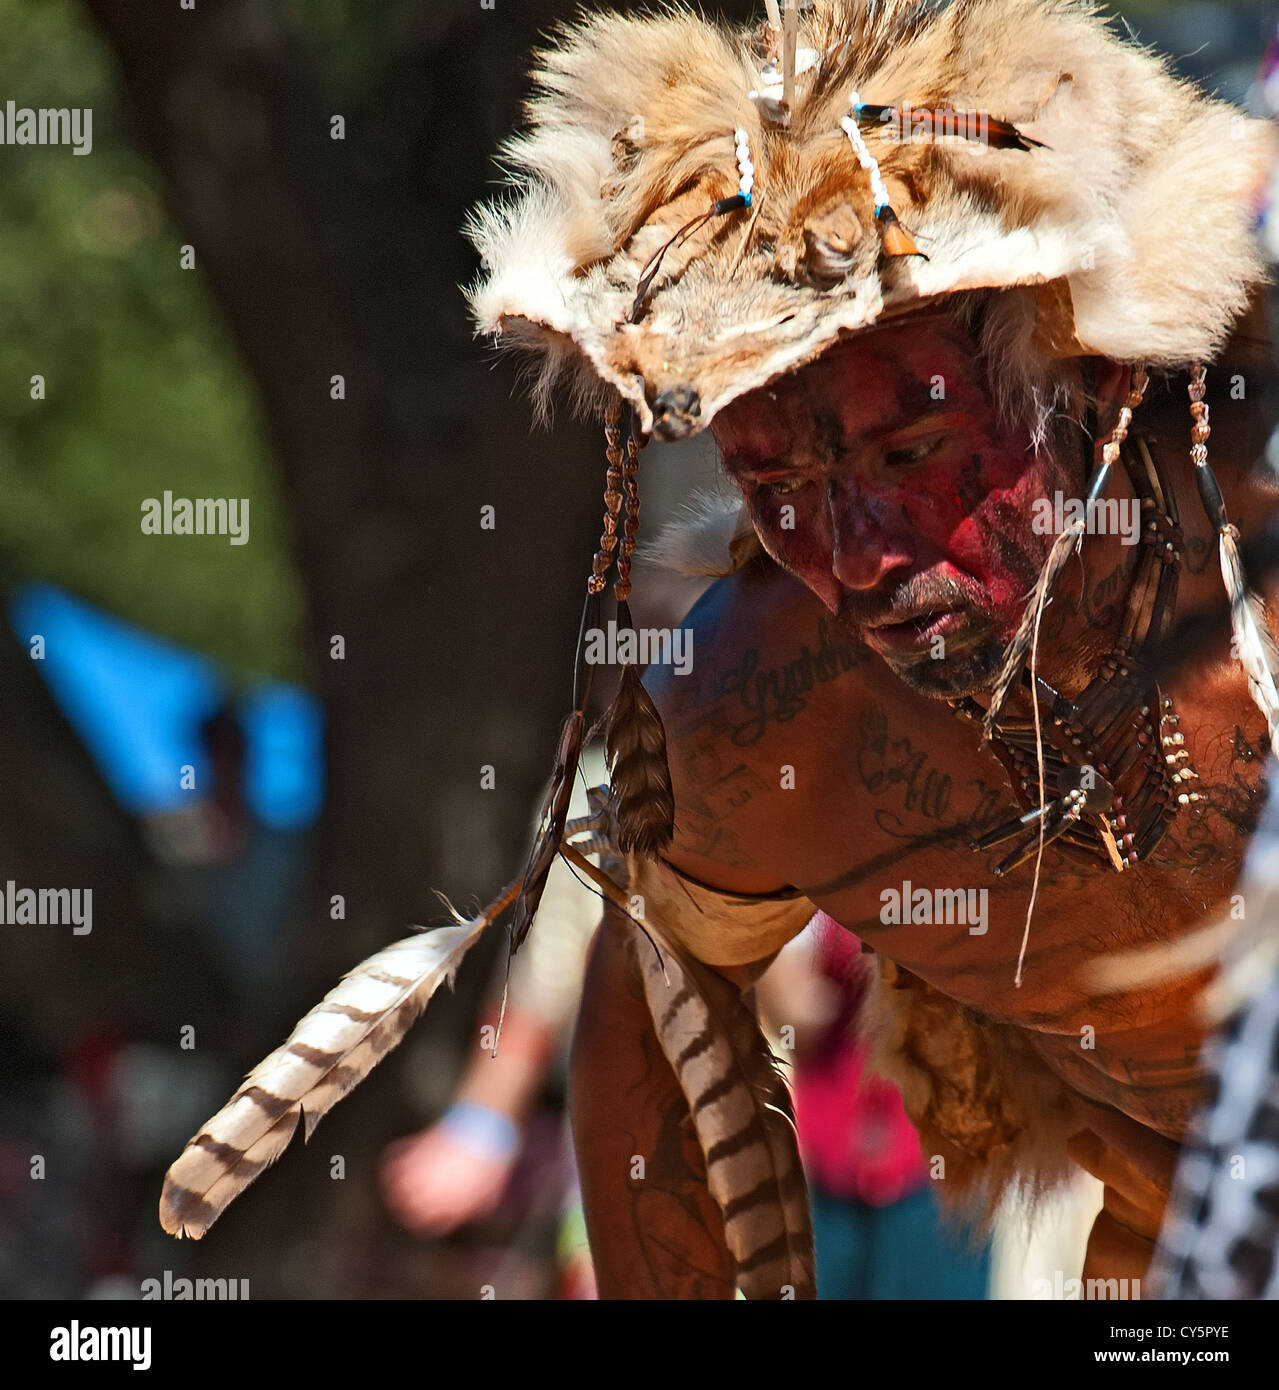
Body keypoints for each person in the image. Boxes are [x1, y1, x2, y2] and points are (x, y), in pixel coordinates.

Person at [157, 0, 1279, 1300]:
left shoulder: (1250, 554)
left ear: (1085, 381)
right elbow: (655, 1060)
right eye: (773, 479)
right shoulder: (767, 718)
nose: (857, 553)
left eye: (911, 455)